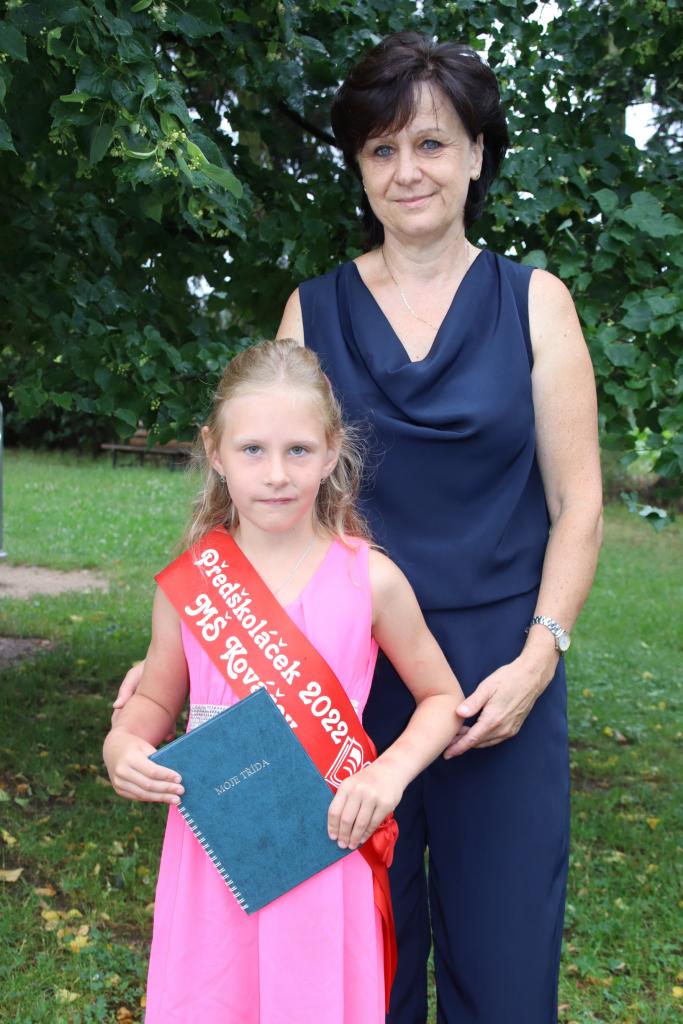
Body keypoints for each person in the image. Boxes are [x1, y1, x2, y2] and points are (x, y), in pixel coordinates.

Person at [114, 31, 603, 1024]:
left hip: (497, 679)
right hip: (330, 676)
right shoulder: (313, 308)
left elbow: (578, 504)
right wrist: (181, 652)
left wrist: (539, 653)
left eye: (430, 144)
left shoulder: (535, 304)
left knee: (506, 968)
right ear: (358, 166)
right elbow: (264, 482)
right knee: (354, 970)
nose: (406, 170)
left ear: (476, 154)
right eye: (381, 149)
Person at [104, 338, 466, 1023]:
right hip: (214, 855)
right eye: (252, 450)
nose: (276, 474)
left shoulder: (371, 579)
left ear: (331, 453)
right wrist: (122, 744)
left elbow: (442, 698)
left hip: (322, 850)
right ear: (214, 452)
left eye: (298, 450)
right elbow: (153, 696)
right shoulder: (191, 585)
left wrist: (387, 775)